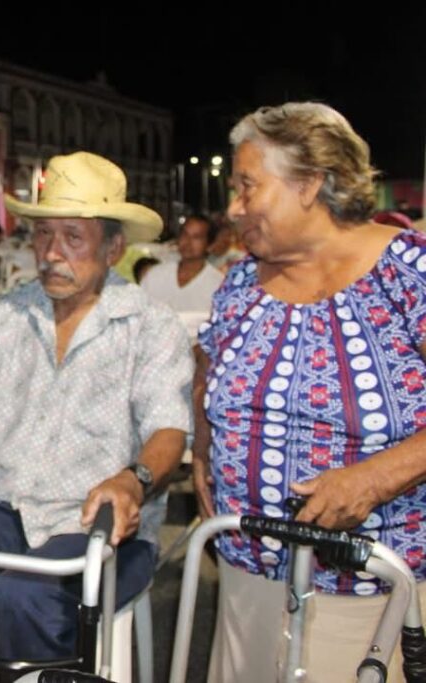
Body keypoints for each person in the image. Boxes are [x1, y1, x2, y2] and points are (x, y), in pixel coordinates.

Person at [0, 152, 193, 681]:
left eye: (73, 237)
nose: (52, 253)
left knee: (27, 599)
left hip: (102, 523)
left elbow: (168, 429)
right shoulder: (7, 314)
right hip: (6, 510)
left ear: (113, 248)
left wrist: (133, 480)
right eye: (43, 235)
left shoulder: (150, 326)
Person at [195, 102, 426, 681]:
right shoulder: (240, 282)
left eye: (247, 186)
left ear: (309, 183)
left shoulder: (409, 273)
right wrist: (203, 449)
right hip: (246, 573)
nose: (233, 207)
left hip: (370, 588)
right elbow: (208, 370)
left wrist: (375, 478)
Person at [141, 214, 224, 343]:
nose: (188, 242)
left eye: (196, 237)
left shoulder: (219, 284)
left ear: (209, 245)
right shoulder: (155, 275)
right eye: (185, 234)